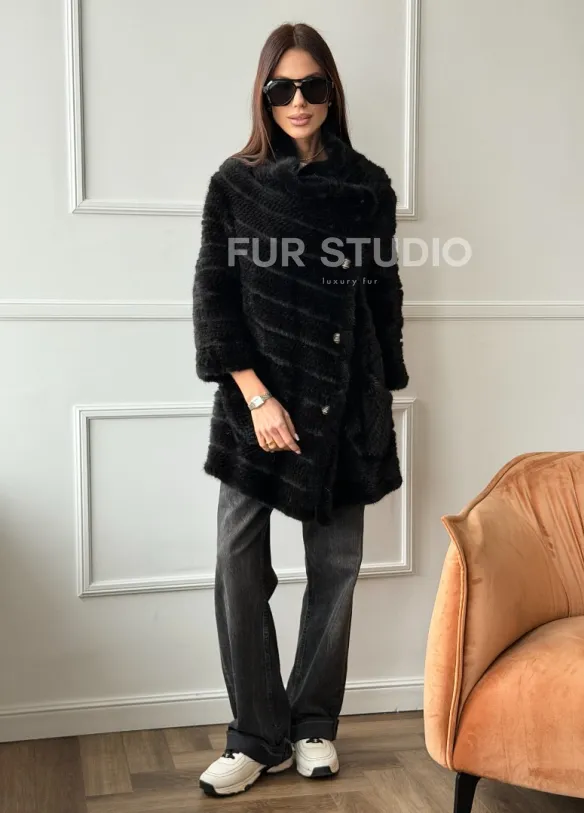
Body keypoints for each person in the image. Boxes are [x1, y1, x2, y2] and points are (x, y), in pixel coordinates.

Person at [192, 21, 409, 798]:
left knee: (336, 568)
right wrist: (257, 396)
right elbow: (214, 298)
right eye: (281, 86)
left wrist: (383, 389)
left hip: (346, 400)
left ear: (330, 92)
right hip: (256, 404)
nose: (297, 100)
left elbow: (382, 293)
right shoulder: (235, 184)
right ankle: (258, 734)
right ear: (264, 94)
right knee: (237, 562)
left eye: (311, 84)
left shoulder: (367, 186)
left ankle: (314, 722)